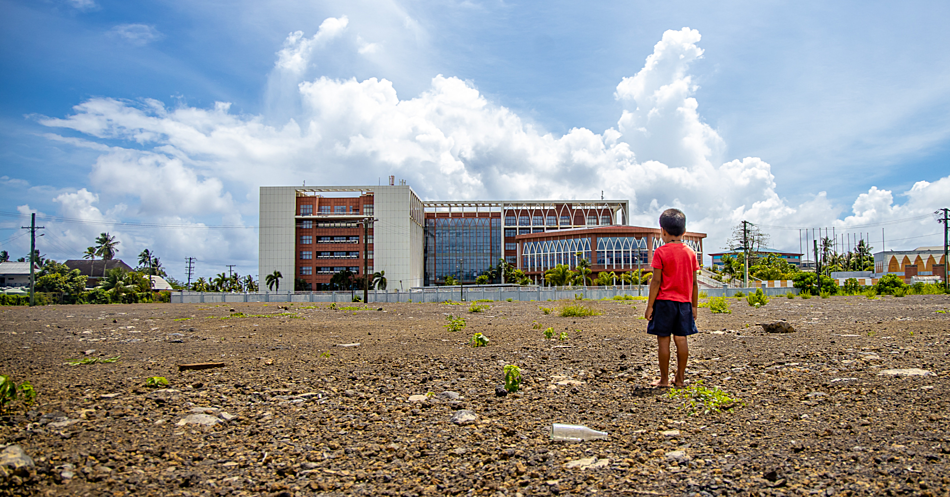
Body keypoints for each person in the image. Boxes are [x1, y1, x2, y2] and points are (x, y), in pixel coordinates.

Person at [644, 208, 699, 388]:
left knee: (663, 341)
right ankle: (681, 379)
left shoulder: (660, 252)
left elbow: (656, 281)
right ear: (684, 232)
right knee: (682, 340)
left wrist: (650, 306)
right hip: (684, 304)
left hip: (664, 303)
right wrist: (695, 307)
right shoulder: (691, 253)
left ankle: (664, 380)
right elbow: (694, 283)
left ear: (663, 232)